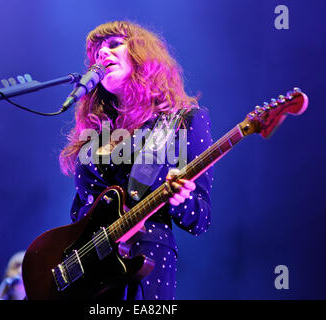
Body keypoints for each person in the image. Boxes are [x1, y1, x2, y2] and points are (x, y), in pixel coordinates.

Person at [59, 21, 213, 300]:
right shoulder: (96, 130)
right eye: (97, 52)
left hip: (141, 266)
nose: (102, 54)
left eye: (114, 44)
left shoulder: (182, 121)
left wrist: (181, 200)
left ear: (142, 54)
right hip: (85, 275)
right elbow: (78, 214)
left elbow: (201, 218)